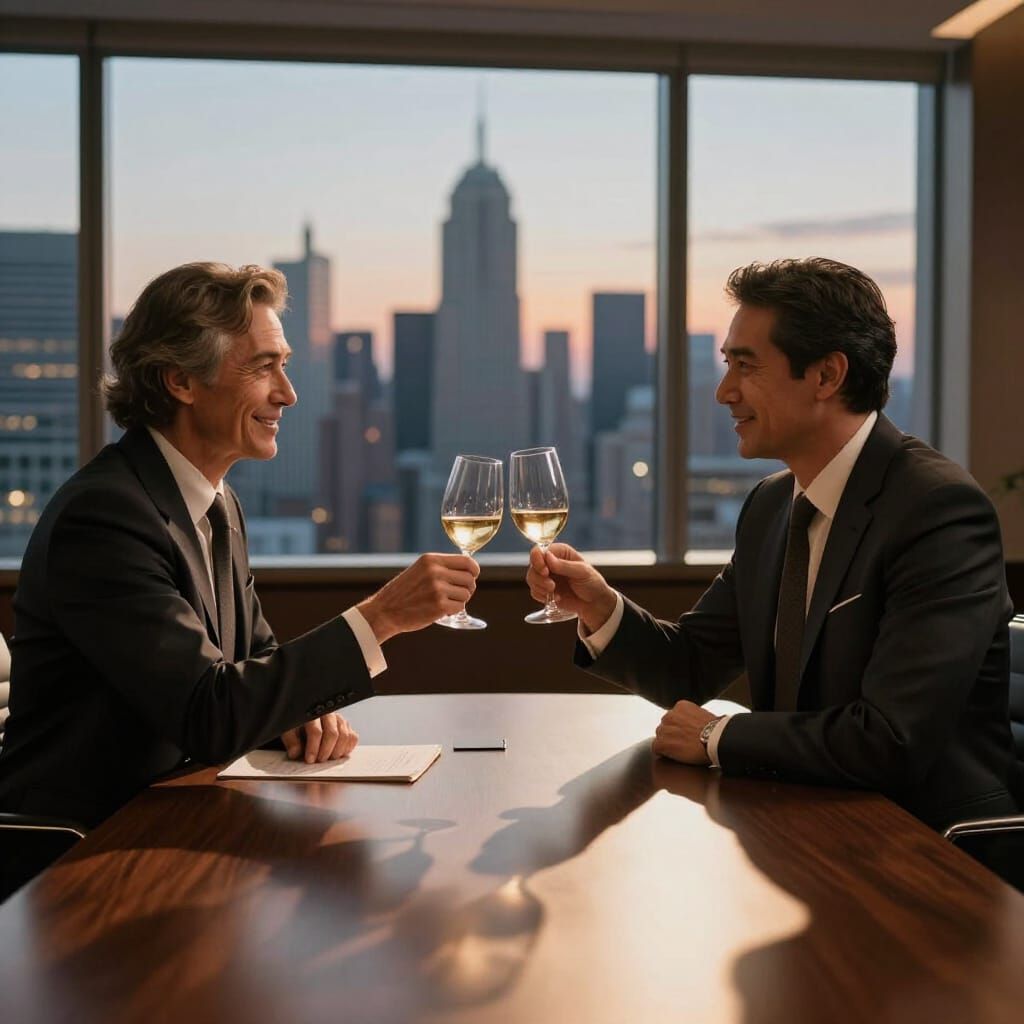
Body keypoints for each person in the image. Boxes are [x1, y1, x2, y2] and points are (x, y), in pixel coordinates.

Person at [527, 257, 1018, 830]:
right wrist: (601, 606)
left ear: (826, 376)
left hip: (927, 850)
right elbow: (688, 666)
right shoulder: (770, 505)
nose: (723, 392)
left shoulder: (937, 512)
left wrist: (718, 735)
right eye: (726, 364)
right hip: (803, 825)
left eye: (746, 366)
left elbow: (891, 739)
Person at [0, 262, 479, 828]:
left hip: (170, 813)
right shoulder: (104, 517)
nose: (289, 394)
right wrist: (383, 615)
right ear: (180, 381)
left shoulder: (216, 503)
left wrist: (295, 716)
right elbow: (209, 714)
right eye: (263, 367)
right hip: (78, 845)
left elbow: (252, 669)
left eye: (286, 366)